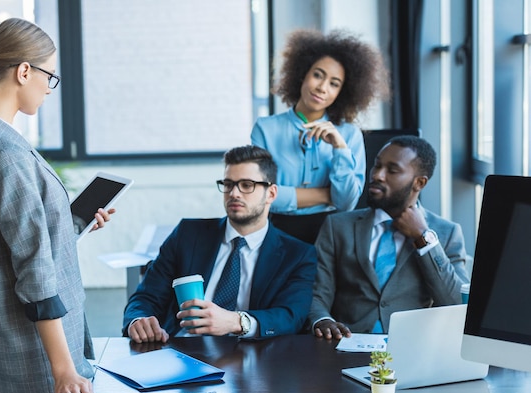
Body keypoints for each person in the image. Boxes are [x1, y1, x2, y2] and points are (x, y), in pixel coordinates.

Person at [0, 18, 114, 393]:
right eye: (49, 77)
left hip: (8, 335)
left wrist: (76, 222)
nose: (48, 88)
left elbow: (9, 240)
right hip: (37, 343)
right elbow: (35, 274)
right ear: (24, 71)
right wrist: (64, 370)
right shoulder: (7, 156)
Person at [123, 145, 316, 343]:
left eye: (247, 185)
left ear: (271, 194)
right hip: (183, 351)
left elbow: (291, 316)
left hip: (253, 357)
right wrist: (138, 321)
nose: (234, 193)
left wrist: (237, 321)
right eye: (228, 184)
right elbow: (146, 297)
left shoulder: (297, 254)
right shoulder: (188, 235)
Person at [308, 135, 469, 339]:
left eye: (392, 170)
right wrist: (322, 320)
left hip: (412, 348)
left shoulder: (446, 233)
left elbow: (456, 303)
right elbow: (317, 291)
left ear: (419, 183)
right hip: (346, 345)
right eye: (377, 166)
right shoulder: (338, 226)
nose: (377, 175)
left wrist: (423, 238)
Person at [251, 29, 390, 244]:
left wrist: (340, 149)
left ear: (342, 92)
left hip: (332, 237)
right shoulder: (265, 129)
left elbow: (346, 203)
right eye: (317, 75)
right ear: (302, 74)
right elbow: (260, 196)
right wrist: (326, 196)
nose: (322, 88)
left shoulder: (349, 135)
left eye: (334, 83)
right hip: (276, 234)